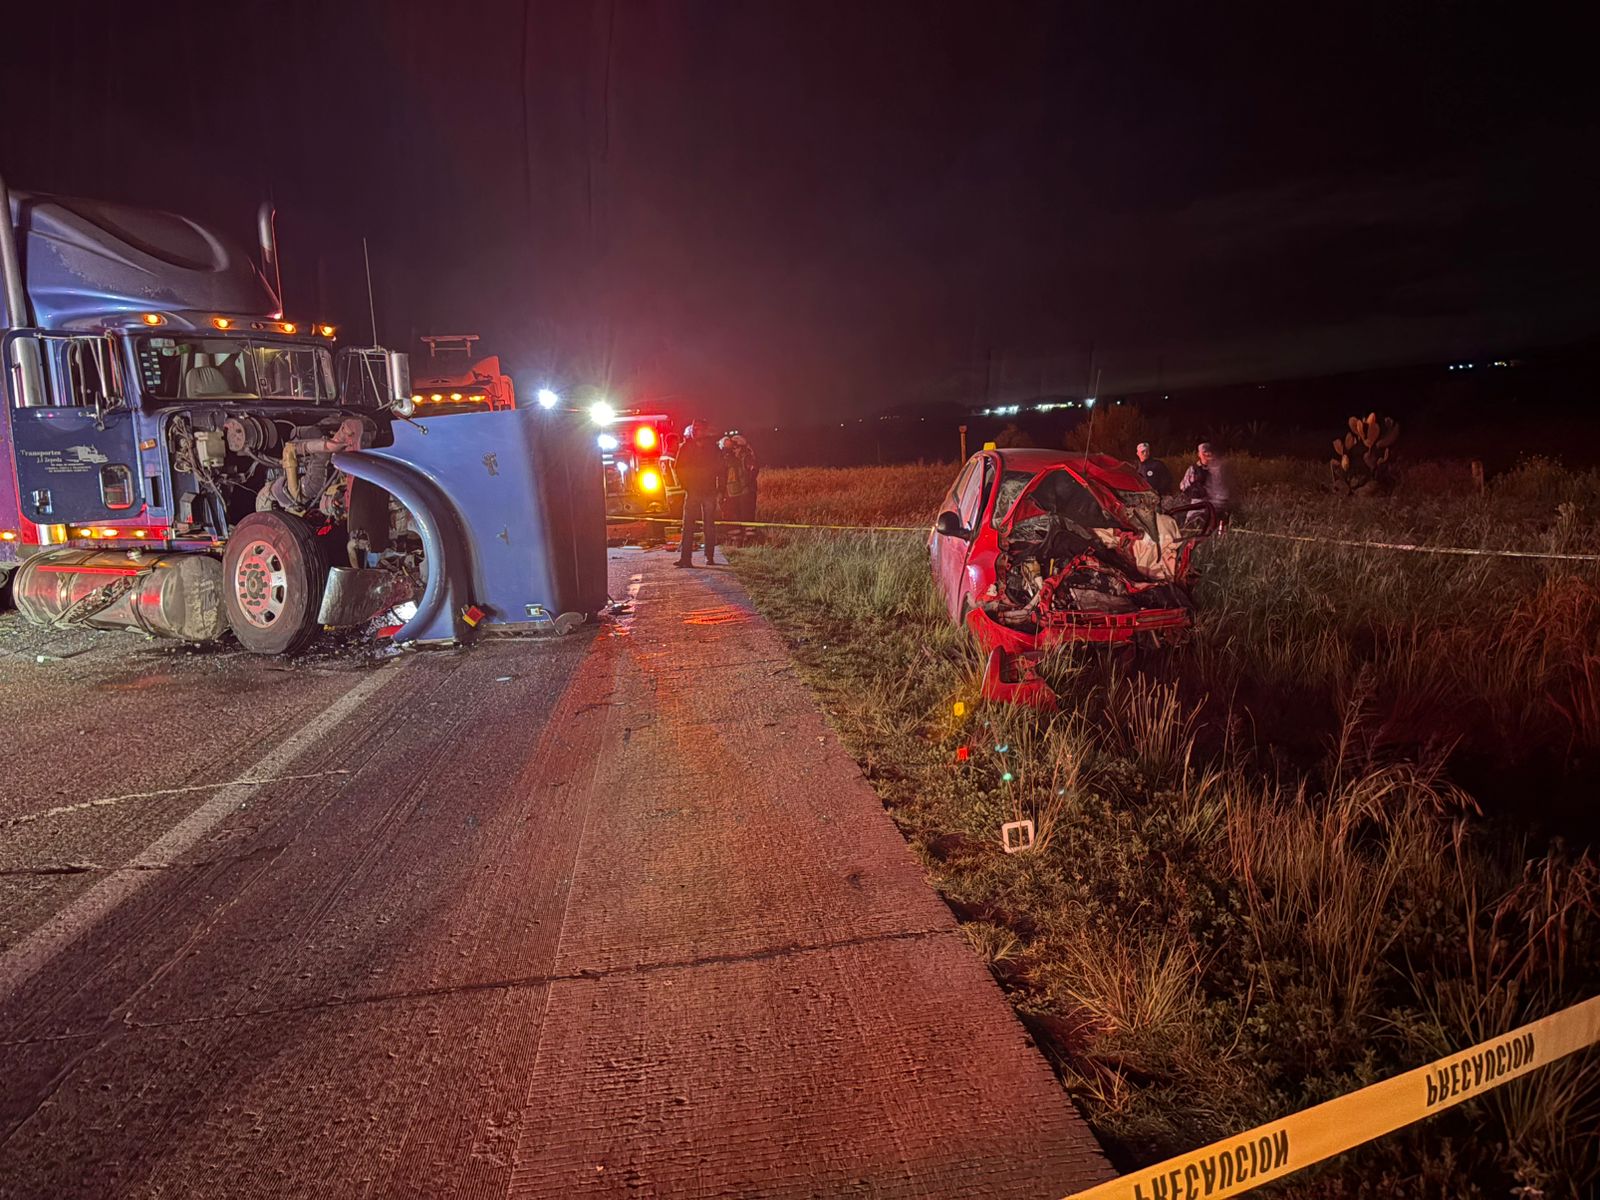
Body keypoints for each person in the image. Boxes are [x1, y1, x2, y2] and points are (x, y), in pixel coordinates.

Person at [674, 421, 726, 567]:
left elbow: (722, 470)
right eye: (695, 429)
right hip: (693, 491)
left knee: (709, 525)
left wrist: (721, 490)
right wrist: (686, 486)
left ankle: (709, 557)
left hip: (709, 491)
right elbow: (678, 468)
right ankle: (686, 559)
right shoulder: (686, 447)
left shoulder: (713, 448)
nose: (696, 432)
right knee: (688, 526)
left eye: (699, 429)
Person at [1179, 441, 1231, 517]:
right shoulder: (1193, 469)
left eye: (1208, 452)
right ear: (1199, 454)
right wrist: (1194, 491)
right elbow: (1183, 486)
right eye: (1203, 452)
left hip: (1217, 504)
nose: (1206, 454)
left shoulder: (1220, 468)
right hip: (1199, 502)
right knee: (1191, 519)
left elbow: (1226, 488)